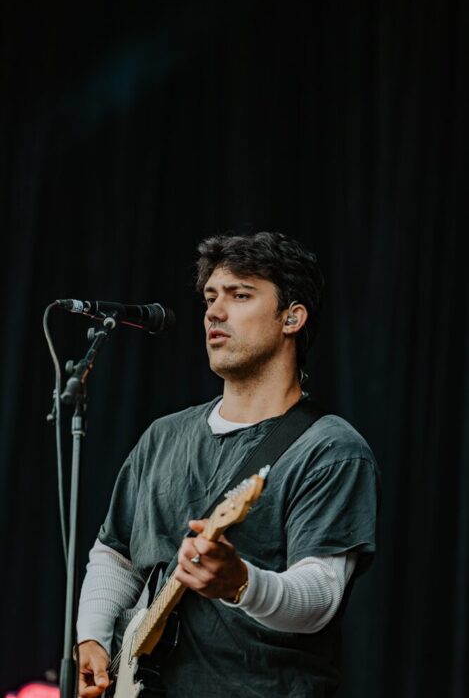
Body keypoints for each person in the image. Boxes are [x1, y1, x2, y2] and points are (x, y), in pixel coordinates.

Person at [76, 232, 379, 698]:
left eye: (240, 295)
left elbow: (320, 596)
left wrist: (242, 583)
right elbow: (115, 553)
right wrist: (93, 638)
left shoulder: (330, 448)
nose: (215, 312)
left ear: (292, 317)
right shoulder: (163, 436)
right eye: (211, 297)